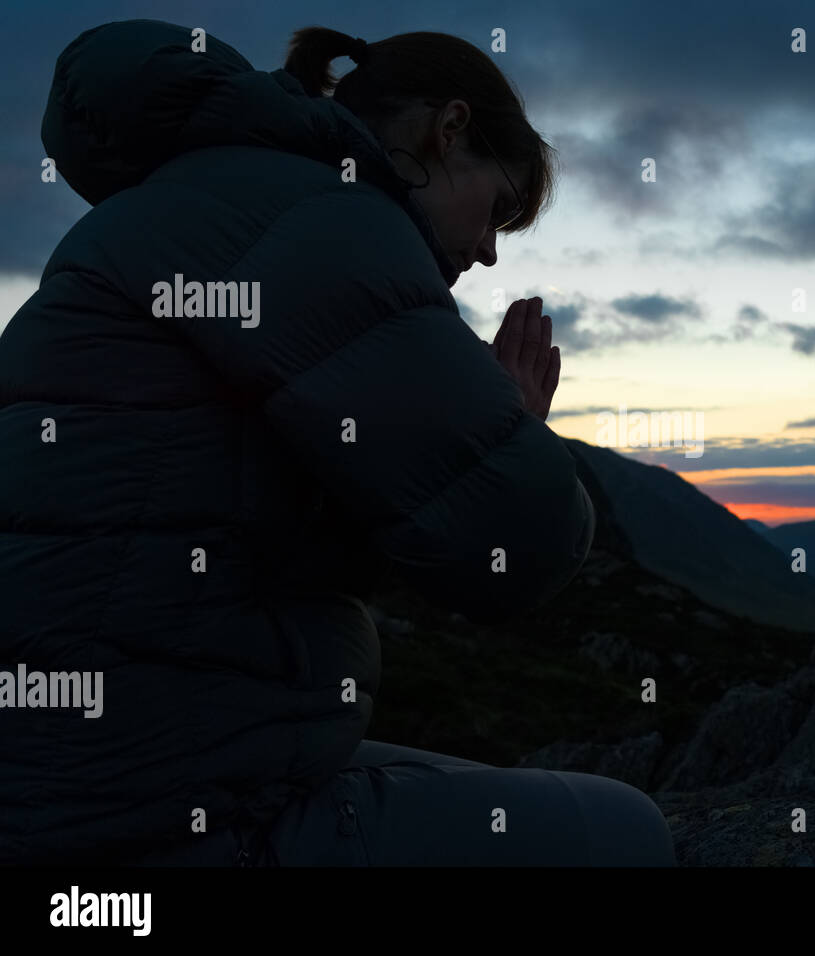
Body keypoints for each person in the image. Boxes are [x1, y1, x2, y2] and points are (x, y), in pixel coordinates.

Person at [0, 18, 676, 866]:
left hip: (88, 772)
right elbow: (514, 546)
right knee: (625, 833)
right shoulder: (324, 219)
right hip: (142, 815)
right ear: (448, 129)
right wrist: (512, 430)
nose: (491, 254)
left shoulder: (186, 206)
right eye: (498, 208)